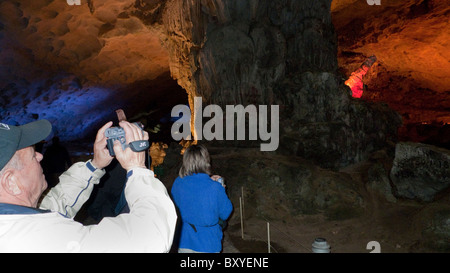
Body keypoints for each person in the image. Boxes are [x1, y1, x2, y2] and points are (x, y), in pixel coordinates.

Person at [0, 119, 177, 252]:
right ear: (11, 182)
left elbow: (54, 205)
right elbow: (149, 237)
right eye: (32, 156)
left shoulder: (13, 221)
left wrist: (94, 165)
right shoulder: (39, 240)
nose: (40, 156)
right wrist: (137, 168)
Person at [171, 144, 233, 253]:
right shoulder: (215, 188)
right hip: (207, 243)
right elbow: (226, 213)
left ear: (185, 160)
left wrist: (209, 180)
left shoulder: (178, 183)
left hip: (183, 240)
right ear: (206, 161)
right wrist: (221, 189)